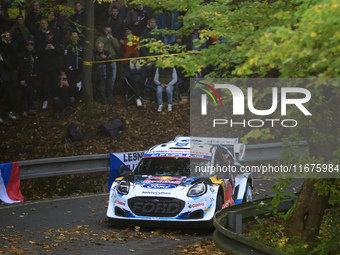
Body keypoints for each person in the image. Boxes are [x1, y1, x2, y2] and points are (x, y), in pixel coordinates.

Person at [37, 29, 63, 109]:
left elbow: (60, 53)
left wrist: (54, 48)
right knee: (46, 84)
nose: (48, 36)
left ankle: (54, 99)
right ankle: (45, 100)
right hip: (45, 68)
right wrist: (45, 49)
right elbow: (38, 54)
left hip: (54, 69)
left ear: (52, 36)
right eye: (47, 35)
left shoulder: (56, 43)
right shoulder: (42, 43)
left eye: (50, 35)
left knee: (54, 84)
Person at [17, 40, 38, 117]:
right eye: (29, 45)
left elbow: (36, 65)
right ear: (26, 46)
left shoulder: (34, 55)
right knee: (24, 93)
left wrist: (35, 74)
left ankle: (30, 108)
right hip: (25, 77)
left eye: (31, 45)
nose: (30, 47)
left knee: (31, 92)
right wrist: (22, 78)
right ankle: (23, 109)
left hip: (32, 77)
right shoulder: (23, 55)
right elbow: (20, 68)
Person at [0, 49, 16, 121]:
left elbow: (10, 66)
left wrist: (2, 59)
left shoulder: (4, 55)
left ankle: (10, 112)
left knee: (10, 96)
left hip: (5, 80)